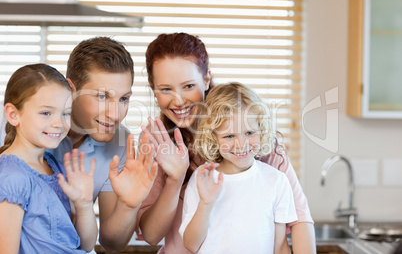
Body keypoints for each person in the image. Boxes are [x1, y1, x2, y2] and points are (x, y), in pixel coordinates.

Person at [137, 32, 316, 253]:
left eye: (188, 86)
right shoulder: (155, 141)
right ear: (152, 87)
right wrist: (175, 179)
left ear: (206, 79)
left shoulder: (255, 138)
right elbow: (152, 236)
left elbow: (299, 218)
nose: (179, 100)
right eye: (166, 89)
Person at [0, 37, 158, 253]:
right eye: (102, 96)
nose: (115, 115)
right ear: (71, 89)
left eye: (124, 99)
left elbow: (109, 244)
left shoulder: (120, 143)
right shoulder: (21, 128)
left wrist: (128, 205)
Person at [179, 82, 297, 253]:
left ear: (261, 129)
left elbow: (280, 246)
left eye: (249, 133)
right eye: (229, 136)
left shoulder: (277, 181)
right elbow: (191, 244)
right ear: (213, 137)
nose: (241, 144)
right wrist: (206, 203)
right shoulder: (203, 178)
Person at [0, 63, 97, 253]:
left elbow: (86, 245)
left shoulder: (55, 167)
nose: (58, 123)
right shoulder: (12, 176)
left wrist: (84, 204)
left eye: (65, 114)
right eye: (46, 113)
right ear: (13, 115)